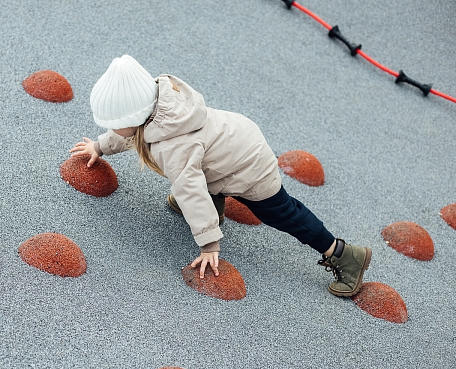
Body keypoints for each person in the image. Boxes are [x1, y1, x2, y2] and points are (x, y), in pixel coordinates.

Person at [70, 55, 371, 297]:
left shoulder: (173, 144)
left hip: (249, 164)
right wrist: (100, 146)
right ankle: (217, 204)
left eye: (113, 122)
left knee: (283, 214)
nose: (112, 126)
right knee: (204, 170)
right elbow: (130, 134)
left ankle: (344, 255)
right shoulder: (158, 106)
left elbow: (190, 189)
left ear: (132, 116)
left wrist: (209, 244)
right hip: (230, 140)